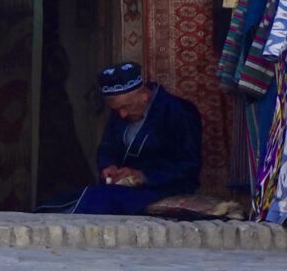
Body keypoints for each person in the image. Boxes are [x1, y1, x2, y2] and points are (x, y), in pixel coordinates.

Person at [69, 61, 203, 215]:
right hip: (125, 188)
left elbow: (189, 164)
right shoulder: (119, 113)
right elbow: (107, 148)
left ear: (144, 96)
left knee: (100, 200)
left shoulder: (178, 112)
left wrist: (143, 176)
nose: (122, 114)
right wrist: (108, 166)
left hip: (164, 186)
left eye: (126, 107)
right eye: (117, 109)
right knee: (77, 197)